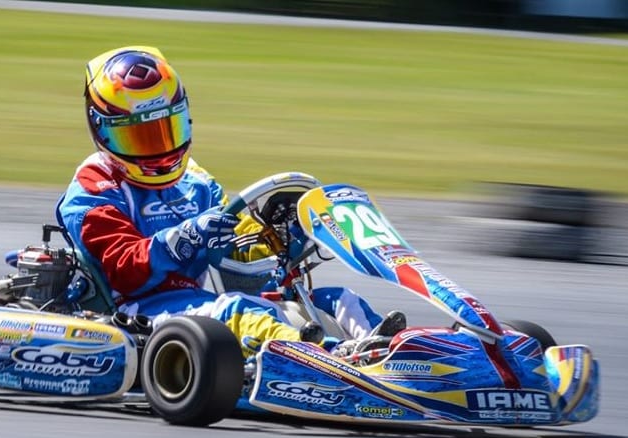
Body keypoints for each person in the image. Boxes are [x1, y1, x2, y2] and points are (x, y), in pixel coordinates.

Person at [57, 46, 404, 358]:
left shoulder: (195, 181)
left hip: (202, 304)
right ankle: (336, 359)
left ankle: (397, 353)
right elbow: (123, 268)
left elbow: (239, 245)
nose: (157, 148)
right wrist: (184, 238)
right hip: (139, 312)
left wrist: (283, 236)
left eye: (166, 128)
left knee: (335, 299)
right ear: (102, 129)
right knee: (236, 312)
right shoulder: (94, 188)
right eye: (138, 135)